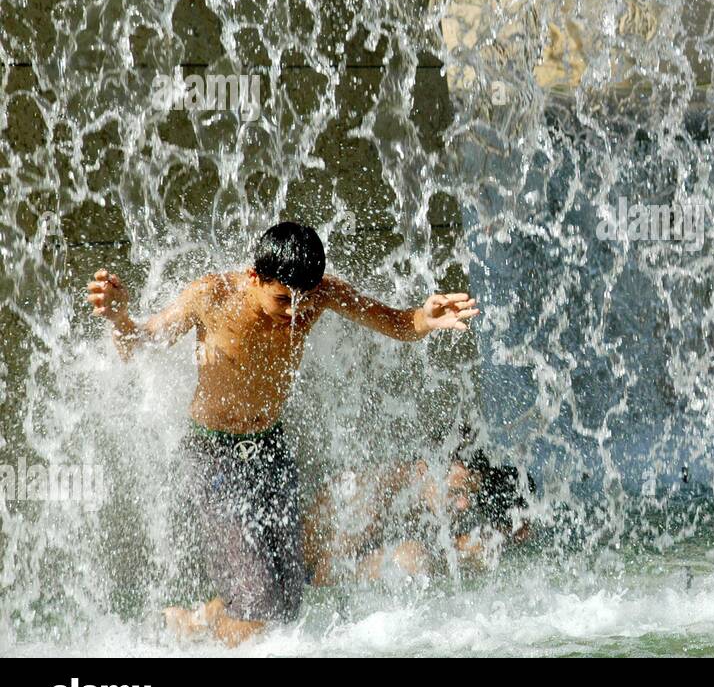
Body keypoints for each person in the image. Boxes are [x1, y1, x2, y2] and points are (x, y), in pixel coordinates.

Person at [85, 221, 479, 645]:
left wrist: (425, 317)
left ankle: (196, 623)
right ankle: (208, 633)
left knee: (288, 601)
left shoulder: (320, 293)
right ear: (256, 277)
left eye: (304, 300)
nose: (295, 312)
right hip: (214, 454)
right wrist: (119, 318)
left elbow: (400, 324)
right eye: (282, 299)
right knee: (260, 607)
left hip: (270, 449)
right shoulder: (211, 295)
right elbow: (140, 343)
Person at [302, 434, 534, 586]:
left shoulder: (425, 508)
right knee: (412, 556)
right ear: (425, 470)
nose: (464, 505)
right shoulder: (374, 489)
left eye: (470, 496)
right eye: (457, 492)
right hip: (304, 578)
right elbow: (323, 576)